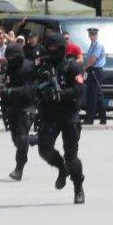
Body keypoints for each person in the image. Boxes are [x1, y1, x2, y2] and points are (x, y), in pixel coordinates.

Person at [36, 32, 86, 204]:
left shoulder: (72, 67)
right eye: (50, 48)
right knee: (44, 149)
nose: (52, 51)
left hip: (69, 115)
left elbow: (79, 90)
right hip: (50, 114)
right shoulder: (43, 66)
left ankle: (78, 187)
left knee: (72, 157)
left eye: (55, 48)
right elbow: (35, 87)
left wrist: (61, 94)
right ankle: (61, 168)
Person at [0, 43, 37, 181]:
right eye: (9, 57)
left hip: (28, 106)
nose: (11, 60)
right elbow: (4, 84)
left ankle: (18, 169)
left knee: (21, 138)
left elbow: (32, 88)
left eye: (13, 57)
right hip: (13, 106)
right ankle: (34, 139)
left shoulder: (30, 67)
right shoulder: (9, 68)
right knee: (17, 139)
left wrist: (13, 91)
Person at [83, 27, 107, 125]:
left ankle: (90, 119)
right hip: (92, 71)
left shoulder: (98, 45)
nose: (91, 36)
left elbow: (93, 59)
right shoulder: (92, 45)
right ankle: (101, 118)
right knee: (94, 95)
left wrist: (84, 68)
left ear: (96, 35)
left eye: (93, 35)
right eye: (90, 35)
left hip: (96, 71)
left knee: (94, 95)